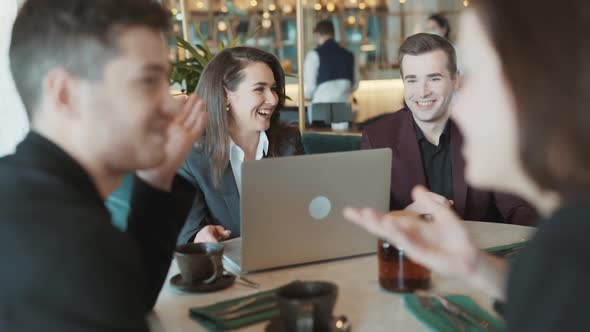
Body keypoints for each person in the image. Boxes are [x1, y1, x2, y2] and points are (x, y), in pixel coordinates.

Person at [344, 0, 590, 330]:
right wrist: (475, 265)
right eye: (412, 80)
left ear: (541, 84)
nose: (457, 111)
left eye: (477, 76)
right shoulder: (568, 241)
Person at [1, 0, 208, 330]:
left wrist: (158, 177)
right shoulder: (71, 249)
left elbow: (126, 297)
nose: (171, 106)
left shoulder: (27, 197)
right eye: (148, 81)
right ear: (64, 94)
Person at [361, 33, 536, 226]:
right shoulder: (376, 138)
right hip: (406, 254)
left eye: (434, 79)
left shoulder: (485, 132)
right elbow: (367, 220)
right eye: (412, 80)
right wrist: (404, 215)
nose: (422, 91)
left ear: (455, 80)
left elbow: (518, 209)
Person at [177, 47, 305, 244]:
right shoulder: (191, 155)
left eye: (273, 88)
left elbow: (306, 208)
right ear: (225, 94)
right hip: (229, 269)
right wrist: (200, 236)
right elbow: (188, 232)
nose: (272, 99)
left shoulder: (289, 141)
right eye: (259, 89)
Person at [303, 20, 359, 104]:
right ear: (333, 34)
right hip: (344, 105)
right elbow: (355, 85)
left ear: (317, 35)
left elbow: (310, 87)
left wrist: (307, 97)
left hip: (321, 106)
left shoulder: (313, 55)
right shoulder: (349, 55)